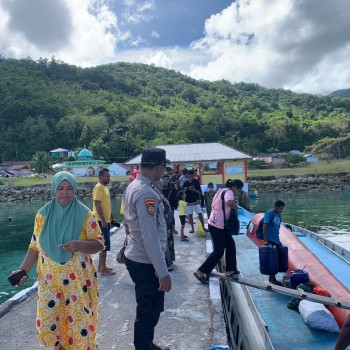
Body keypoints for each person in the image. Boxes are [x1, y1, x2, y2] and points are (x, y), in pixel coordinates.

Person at [11, 171, 104, 350]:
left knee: (78, 327)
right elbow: (34, 246)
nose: (65, 192)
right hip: (49, 281)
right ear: (54, 189)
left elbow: (99, 244)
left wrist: (80, 245)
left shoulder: (86, 215)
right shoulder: (42, 215)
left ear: (75, 190)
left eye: (69, 188)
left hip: (77, 283)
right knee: (46, 327)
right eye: (60, 188)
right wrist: (23, 271)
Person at [124, 147, 172, 350]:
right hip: (145, 260)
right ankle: (143, 347)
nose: (164, 172)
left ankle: (146, 344)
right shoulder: (145, 194)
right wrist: (162, 272)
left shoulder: (137, 185)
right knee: (148, 310)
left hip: (139, 256)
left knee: (150, 307)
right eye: (163, 167)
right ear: (159, 166)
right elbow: (150, 237)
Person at [194, 179, 244, 284]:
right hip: (218, 226)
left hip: (217, 224)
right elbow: (229, 202)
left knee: (231, 245)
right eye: (239, 190)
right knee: (218, 251)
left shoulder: (222, 190)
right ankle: (200, 271)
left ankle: (230, 270)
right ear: (235, 187)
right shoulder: (229, 192)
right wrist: (237, 208)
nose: (239, 192)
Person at [93, 168, 117, 276]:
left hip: (105, 220)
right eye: (106, 176)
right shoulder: (98, 187)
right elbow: (97, 204)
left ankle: (101, 266)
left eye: (109, 176)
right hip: (100, 220)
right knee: (104, 245)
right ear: (100, 177)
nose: (108, 178)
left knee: (104, 244)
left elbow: (106, 204)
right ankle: (103, 270)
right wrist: (103, 220)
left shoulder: (105, 188)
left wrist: (111, 216)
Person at [262, 200, 286, 286]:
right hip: (270, 240)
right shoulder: (270, 214)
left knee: (275, 261)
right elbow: (265, 226)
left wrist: (278, 241)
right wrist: (265, 240)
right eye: (280, 208)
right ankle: (272, 279)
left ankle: (272, 278)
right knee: (272, 261)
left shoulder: (278, 215)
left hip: (275, 240)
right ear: (276, 207)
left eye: (282, 209)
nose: (281, 210)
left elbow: (277, 229)